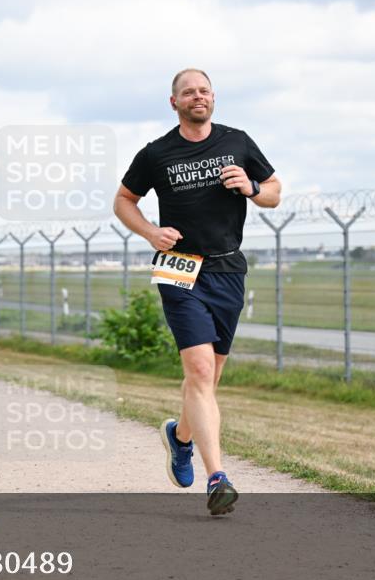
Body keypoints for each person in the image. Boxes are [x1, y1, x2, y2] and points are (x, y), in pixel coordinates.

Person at [113, 68, 281, 515]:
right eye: (188, 92)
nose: (197, 97)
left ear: (213, 98)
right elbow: (123, 200)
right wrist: (150, 232)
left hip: (227, 268)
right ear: (175, 103)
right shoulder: (156, 153)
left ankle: (180, 437)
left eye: (204, 90)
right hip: (178, 268)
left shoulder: (237, 141)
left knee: (209, 377)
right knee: (200, 371)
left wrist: (253, 187)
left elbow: (275, 192)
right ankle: (217, 478)